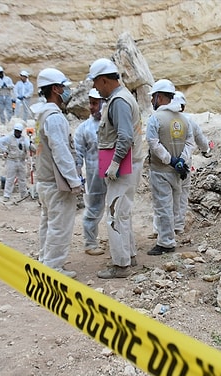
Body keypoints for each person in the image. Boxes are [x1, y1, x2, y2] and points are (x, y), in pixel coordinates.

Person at [87, 58, 145, 279]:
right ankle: (128, 256)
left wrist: (114, 164)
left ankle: (121, 265)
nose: (94, 87)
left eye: (95, 83)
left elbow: (125, 137)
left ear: (103, 80)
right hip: (130, 164)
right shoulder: (121, 97)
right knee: (123, 213)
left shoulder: (119, 101)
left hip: (123, 167)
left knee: (113, 214)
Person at [32, 67, 82, 278]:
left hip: (44, 180)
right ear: (55, 88)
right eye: (64, 87)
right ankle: (53, 268)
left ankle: (45, 260)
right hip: (56, 182)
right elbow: (61, 152)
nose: (66, 92)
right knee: (59, 226)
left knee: (48, 223)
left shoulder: (42, 116)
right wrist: (75, 181)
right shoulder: (54, 118)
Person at [145, 79, 194, 256]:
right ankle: (170, 235)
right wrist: (181, 161)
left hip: (161, 170)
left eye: (153, 98)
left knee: (163, 206)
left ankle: (166, 242)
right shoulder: (184, 119)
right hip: (178, 171)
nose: (152, 101)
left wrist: (169, 160)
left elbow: (153, 143)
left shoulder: (155, 119)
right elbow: (190, 143)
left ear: (159, 97)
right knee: (174, 205)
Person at [172, 91, 212, 234]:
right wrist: (206, 150)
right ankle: (178, 227)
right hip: (184, 163)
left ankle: (160, 228)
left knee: (163, 197)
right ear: (182, 106)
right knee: (182, 195)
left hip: (166, 163)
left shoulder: (162, 119)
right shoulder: (189, 121)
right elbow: (201, 140)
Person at [74, 88, 107, 256]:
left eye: (95, 103)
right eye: (91, 103)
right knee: (94, 208)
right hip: (95, 175)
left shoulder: (112, 123)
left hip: (113, 172)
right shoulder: (84, 128)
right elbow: (78, 154)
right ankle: (90, 242)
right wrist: (78, 176)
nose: (91, 107)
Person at [0, 122, 36, 202]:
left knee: (22, 179)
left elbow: (28, 147)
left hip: (21, 161)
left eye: (19, 131)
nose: (17, 132)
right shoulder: (9, 138)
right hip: (12, 160)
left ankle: (23, 194)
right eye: (16, 131)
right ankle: (6, 195)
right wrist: (4, 150)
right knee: (10, 178)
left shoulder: (24, 139)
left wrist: (32, 148)